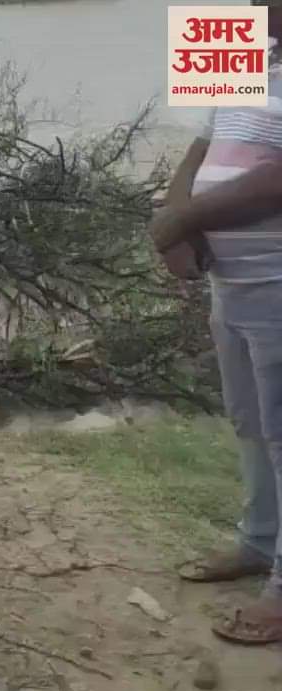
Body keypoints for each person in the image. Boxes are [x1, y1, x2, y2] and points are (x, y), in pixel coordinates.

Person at [149, 0, 282, 646]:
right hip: (230, 285)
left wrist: (186, 220)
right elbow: (196, 150)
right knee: (249, 419)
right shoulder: (230, 39)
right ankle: (258, 543)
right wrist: (174, 221)